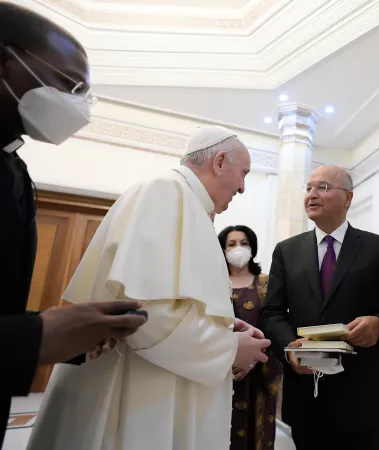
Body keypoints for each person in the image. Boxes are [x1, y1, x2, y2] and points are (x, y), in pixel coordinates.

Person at [27, 125, 272, 450]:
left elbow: (172, 302)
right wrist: (228, 349)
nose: (242, 187)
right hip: (135, 398)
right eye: (243, 174)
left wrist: (222, 326)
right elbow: (142, 315)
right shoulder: (165, 191)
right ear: (219, 162)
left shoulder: (188, 204)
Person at [0, 3, 147, 446]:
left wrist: (69, 334)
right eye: (69, 84)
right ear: (6, 60)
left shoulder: (14, 169)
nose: (77, 105)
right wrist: (37, 336)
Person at [260, 165, 379, 450]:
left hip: (364, 399)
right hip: (308, 398)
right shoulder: (286, 251)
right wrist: (291, 347)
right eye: (308, 188)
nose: (311, 195)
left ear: (348, 198)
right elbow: (272, 313)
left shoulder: (378, 248)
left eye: (323, 187)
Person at [218, 225, 282, 450]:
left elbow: (275, 323)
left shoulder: (266, 283)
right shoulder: (214, 283)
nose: (238, 248)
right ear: (222, 250)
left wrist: (252, 359)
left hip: (260, 373)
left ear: (252, 247)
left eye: (244, 243)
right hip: (222, 371)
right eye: (232, 244)